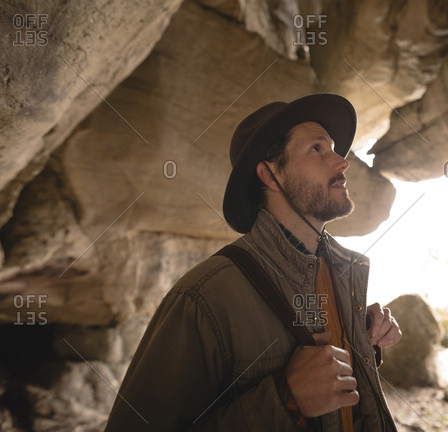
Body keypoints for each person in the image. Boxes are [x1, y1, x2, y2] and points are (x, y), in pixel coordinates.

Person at [104, 93, 402, 432]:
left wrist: (363, 340)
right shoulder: (204, 297)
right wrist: (284, 400)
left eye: (334, 149)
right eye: (317, 149)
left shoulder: (343, 275)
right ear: (271, 176)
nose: (342, 162)